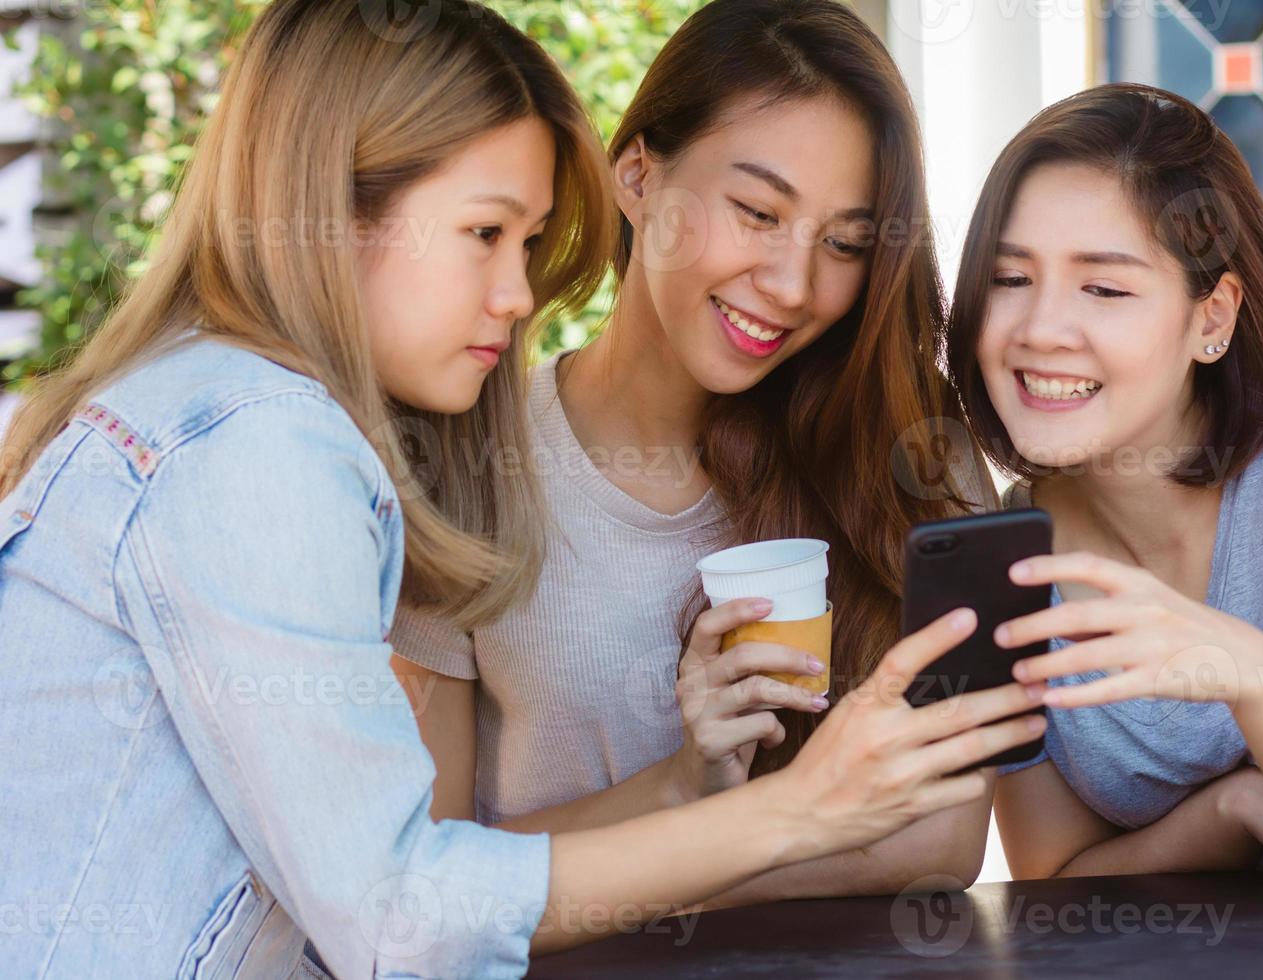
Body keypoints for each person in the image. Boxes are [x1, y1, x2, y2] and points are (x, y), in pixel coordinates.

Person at [0, 2, 1046, 976]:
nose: (518, 293)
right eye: (486, 234)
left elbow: (939, 836)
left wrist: (695, 789)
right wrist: (802, 812)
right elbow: (402, 902)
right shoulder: (270, 445)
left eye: (848, 244)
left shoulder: (230, 420)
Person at [391, 0, 1004, 910]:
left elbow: (942, 837)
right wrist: (687, 789)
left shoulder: (911, 454)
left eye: (843, 243)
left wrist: (658, 859)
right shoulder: (467, 459)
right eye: (758, 211)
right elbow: (427, 870)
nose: (795, 285)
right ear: (636, 175)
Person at [945, 82, 1263, 896]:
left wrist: (1248, 671)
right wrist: (1232, 813)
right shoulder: (1001, 563)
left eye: (1105, 288)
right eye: (1010, 279)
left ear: (1212, 319)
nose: (1039, 329)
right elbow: (1054, 880)